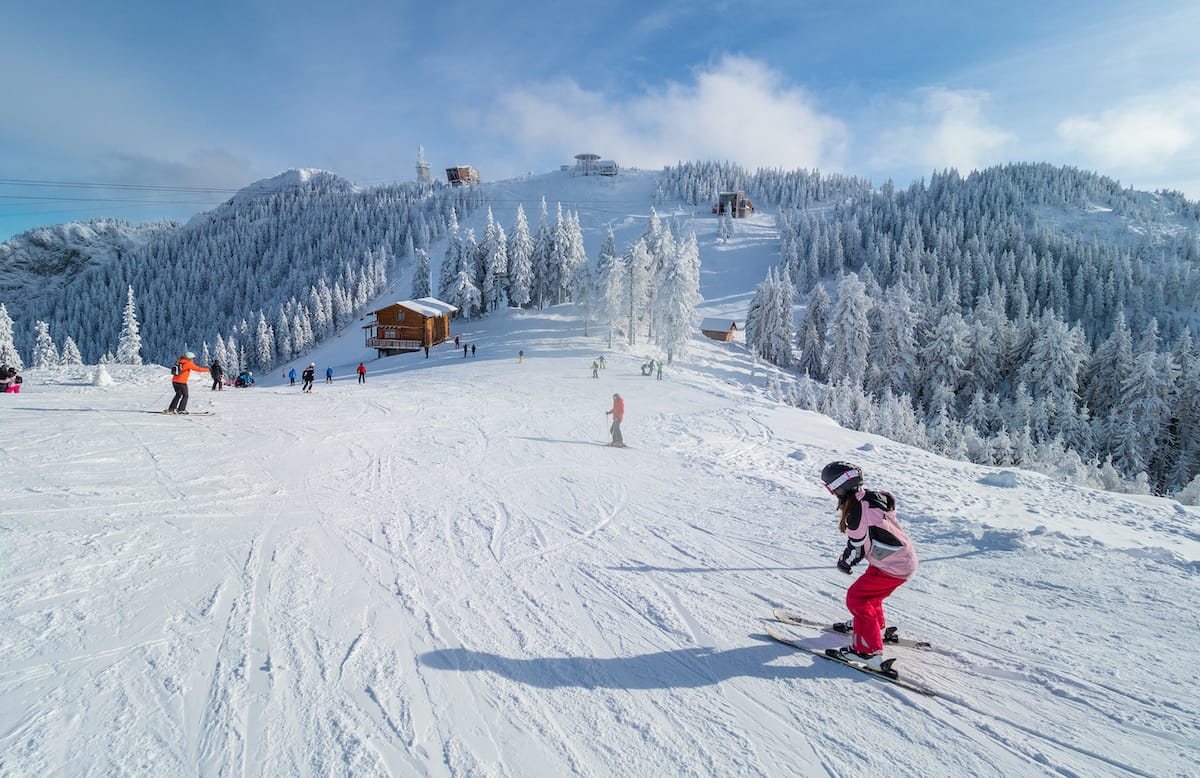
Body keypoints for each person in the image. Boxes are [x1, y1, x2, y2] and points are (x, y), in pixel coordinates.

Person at [820, 461, 919, 671]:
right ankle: (875, 628)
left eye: (829, 487)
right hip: (899, 559)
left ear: (839, 487)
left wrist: (844, 563)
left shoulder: (856, 513)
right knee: (869, 594)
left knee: (857, 597)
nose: (830, 492)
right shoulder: (871, 496)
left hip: (893, 566)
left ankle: (867, 651)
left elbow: (857, 548)